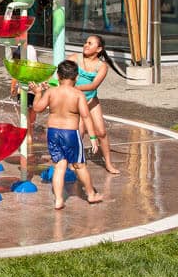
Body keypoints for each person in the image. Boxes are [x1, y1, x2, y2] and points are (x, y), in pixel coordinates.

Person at [29, 61, 104, 209]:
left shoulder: (51, 92)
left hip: (53, 133)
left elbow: (37, 108)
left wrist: (37, 93)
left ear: (58, 76)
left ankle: (58, 200)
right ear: (76, 77)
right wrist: (93, 137)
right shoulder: (78, 94)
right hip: (70, 134)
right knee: (79, 165)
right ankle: (91, 194)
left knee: (59, 166)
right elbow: (86, 116)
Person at [68, 35, 125, 174]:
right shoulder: (74, 58)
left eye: (90, 43)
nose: (86, 45)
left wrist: (74, 87)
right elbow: (61, 74)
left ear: (99, 49)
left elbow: (93, 85)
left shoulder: (102, 66)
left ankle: (109, 164)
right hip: (76, 102)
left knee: (101, 132)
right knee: (79, 132)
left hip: (91, 101)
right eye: (86, 42)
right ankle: (72, 161)